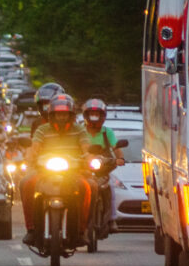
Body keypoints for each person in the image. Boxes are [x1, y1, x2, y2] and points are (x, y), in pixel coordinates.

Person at [20, 93, 95, 247]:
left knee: (89, 187)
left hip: (73, 172)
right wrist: (30, 159)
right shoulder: (42, 130)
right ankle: (31, 229)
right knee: (25, 183)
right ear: (51, 115)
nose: (61, 118)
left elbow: (86, 148)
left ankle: (82, 230)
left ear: (71, 115)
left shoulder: (79, 130)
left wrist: (88, 159)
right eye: (58, 114)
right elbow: (35, 148)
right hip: (44, 171)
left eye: (64, 114)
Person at [81, 98, 124, 234]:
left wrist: (120, 158)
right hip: (82, 168)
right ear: (86, 116)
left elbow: (116, 147)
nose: (94, 118)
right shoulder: (80, 131)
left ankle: (112, 219)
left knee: (110, 187)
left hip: (103, 168)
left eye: (97, 114)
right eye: (91, 115)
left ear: (103, 116)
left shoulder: (107, 132)